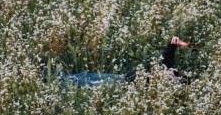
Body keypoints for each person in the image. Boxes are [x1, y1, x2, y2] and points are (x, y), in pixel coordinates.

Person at [42, 36, 191, 88]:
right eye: (176, 76)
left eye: (176, 79)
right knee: (86, 76)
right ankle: (52, 75)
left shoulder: (163, 88)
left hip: (120, 85)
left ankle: (52, 79)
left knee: (86, 83)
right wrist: (173, 44)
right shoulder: (168, 72)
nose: (172, 76)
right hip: (120, 78)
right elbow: (167, 60)